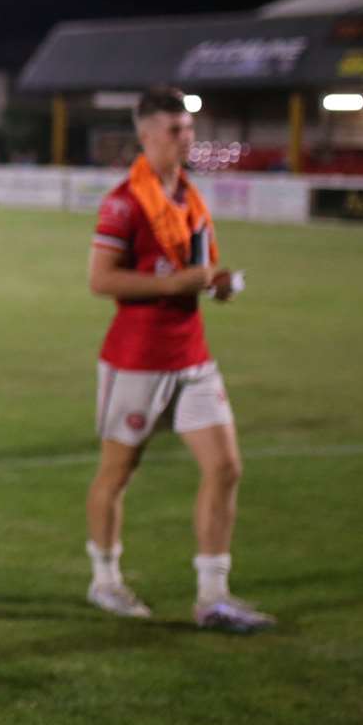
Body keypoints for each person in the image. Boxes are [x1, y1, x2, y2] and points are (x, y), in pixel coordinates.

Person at [83, 86, 273, 633]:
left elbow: (196, 270)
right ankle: (105, 580)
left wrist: (214, 285)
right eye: (174, 129)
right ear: (145, 135)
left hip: (192, 355)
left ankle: (213, 597)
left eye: (189, 128)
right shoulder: (124, 201)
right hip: (137, 360)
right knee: (118, 472)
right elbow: (101, 280)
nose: (185, 137)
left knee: (226, 467)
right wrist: (178, 281)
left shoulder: (190, 197)